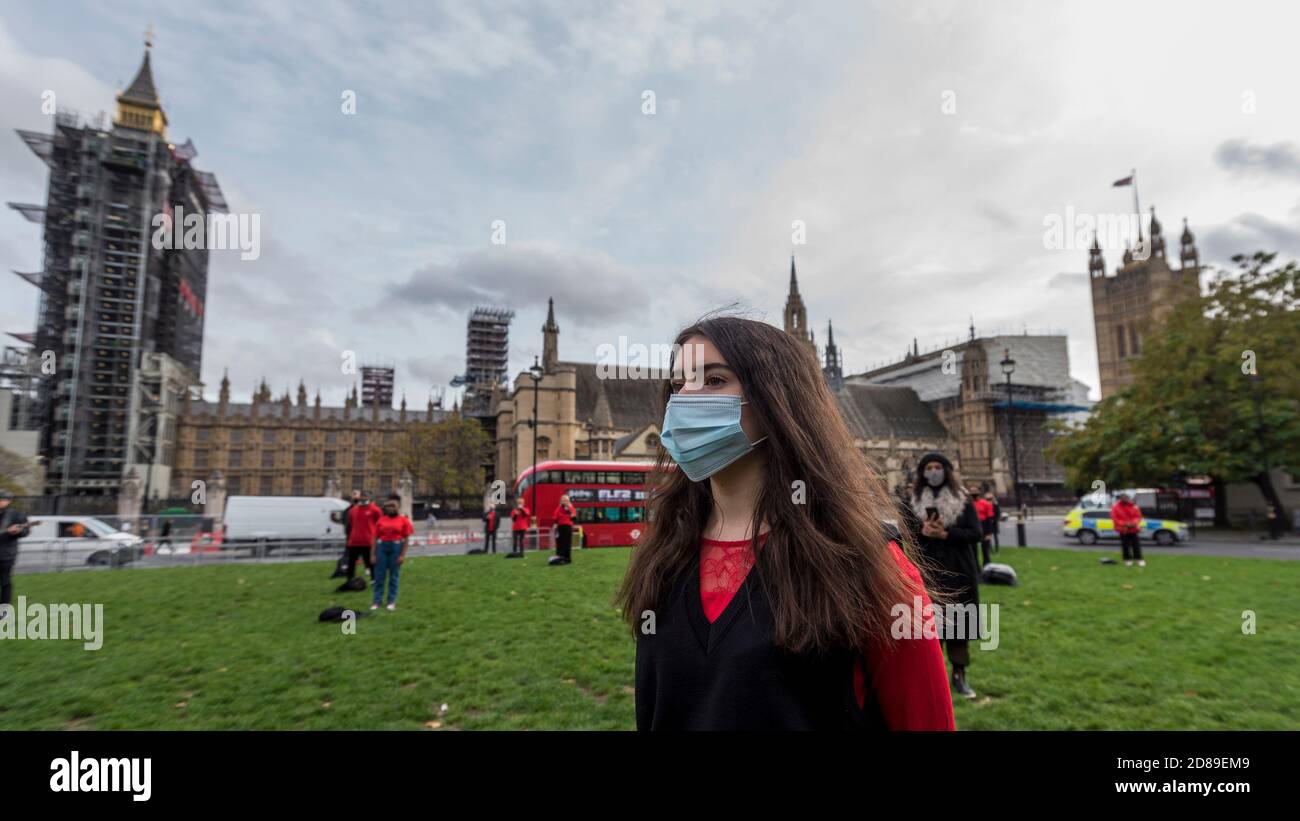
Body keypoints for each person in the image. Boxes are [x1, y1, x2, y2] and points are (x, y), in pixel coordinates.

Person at [619, 316, 954, 730]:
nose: (686, 397)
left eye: (715, 380)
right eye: (678, 384)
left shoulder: (867, 564)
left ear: (776, 400)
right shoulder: (666, 551)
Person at [904, 452, 983, 700]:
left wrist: (947, 535)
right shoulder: (912, 501)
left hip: (959, 571)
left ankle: (959, 676)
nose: (934, 471)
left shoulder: (963, 500)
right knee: (932, 630)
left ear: (946, 470)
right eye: (929, 467)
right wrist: (923, 531)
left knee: (959, 628)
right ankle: (933, 681)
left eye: (938, 467)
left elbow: (975, 533)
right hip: (929, 573)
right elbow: (907, 536)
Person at [371, 497, 413, 611]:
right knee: (379, 576)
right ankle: (376, 601)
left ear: (398, 507)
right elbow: (375, 537)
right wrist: (373, 554)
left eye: (393, 506)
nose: (390, 508)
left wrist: (402, 555)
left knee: (394, 576)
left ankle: (391, 601)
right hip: (382, 547)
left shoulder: (403, 520)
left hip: (396, 547)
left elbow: (406, 539)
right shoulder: (381, 520)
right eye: (388, 506)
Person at [0, 490, 31, 618]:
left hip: (6, 554)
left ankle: (4, 611)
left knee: (5, 581)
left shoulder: (16, 515)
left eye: (2, 499)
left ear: (8, 501)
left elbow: (25, 531)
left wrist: (17, 532)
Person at [345, 490, 380, 580]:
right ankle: (350, 580)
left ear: (369, 497)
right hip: (354, 541)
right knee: (351, 562)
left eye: (366, 496)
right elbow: (350, 524)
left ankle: (374, 580)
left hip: (368, 541)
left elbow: (379, 524)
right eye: (362, 496)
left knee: (370, 562)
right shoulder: (353, 510)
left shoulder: (375, 509)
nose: (364, 498)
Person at [1111, 492, 1145, 567]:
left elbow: (1138, 516)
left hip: (1133, 528)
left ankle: (1139, 559)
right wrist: (1125, 524)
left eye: (1127, 498)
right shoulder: (1115, 507)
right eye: (1124, 499)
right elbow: (1115, 518)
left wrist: (1133, 523)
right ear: (1120, 499)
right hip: (1123, 529)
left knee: (1136, 545)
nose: (1126, 500)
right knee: (1125, 545)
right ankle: (1127, 560)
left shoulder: (1134, 506)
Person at [971, 485, 995, 567]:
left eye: (975, 491)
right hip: (972, 527)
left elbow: (990, 519)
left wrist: (989, 533)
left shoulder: (986, 504)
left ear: (979, 492)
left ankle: (987, 567)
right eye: (972, 491)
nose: (973, 493)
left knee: (985, 550)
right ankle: (976, 569)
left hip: (984, 526)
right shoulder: (968, 504)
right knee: (973, 551)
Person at [550, 495, 576, 565]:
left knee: (567, 543)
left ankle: (567, 558)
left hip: (568, 527)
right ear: (561, 501)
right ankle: (560, 558)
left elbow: (573, 518)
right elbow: (555, 518)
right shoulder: (558, 508)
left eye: (566, 500)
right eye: (563, 500)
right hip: (560, 527)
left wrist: (569, 510)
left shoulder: (571, 508)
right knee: (560, 543)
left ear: (568, 501)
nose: (564, 501)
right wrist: (555, 525)